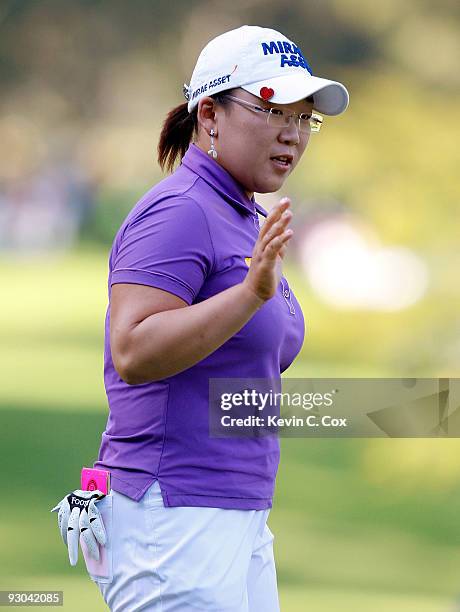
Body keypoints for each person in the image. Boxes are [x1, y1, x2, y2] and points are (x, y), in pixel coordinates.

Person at [53, 24, 349, 611]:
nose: (292, 134)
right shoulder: (180, 210)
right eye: (273, 112)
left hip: (231, 513)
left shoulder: (242, 215)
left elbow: (231, 385)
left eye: (303, 119)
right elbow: (133, 351)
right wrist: (248, 296)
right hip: (171, 517)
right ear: (209, 115)